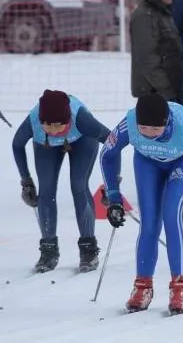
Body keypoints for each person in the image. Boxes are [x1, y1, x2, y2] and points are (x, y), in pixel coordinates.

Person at [99, 94, 183, 314]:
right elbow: (107, 154)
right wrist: (114, 198)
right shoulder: (129, 124)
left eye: (155, 129)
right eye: (143, 128)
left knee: (172, 214)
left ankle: (180, 287)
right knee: (149, 223)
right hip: (148, 162)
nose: (148, 133)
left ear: (166, 122)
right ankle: (142, 286)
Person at [11, 90, 110, 273]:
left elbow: (113, 143)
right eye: (47, 124)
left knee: (78, 186)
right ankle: (48, 249)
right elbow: (17, 145)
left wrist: (112, 184)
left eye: (58, 125)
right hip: (45, 145)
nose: (53, 130)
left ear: (68, 120)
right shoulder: (33, 122)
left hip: (83, 141)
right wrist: (27, 182)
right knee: (46, 190)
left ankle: (88, 248)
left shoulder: (82, 119)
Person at [129, 0, 181, 101]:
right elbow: (148, 59)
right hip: (154, 94)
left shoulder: (163, 13)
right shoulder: (144, 16)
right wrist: (166, 89)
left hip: (167, 90)